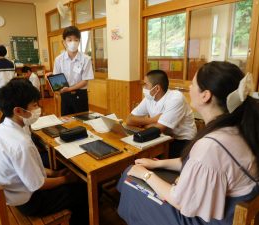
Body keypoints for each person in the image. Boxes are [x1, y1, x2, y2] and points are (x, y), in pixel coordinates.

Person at [117, 61, 259, 225]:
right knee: (137, 172)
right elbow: (198, 162)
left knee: (131, 179)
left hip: (209, 219)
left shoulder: (211, 145)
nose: (189, 88)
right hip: (228, 211)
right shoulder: (238, 128)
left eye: (192, 84)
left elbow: (180, 201)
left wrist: (146, 174)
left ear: (206, 95)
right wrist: (156, 164)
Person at [0, 78, 88, 225]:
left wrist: (55, 174)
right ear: (18, 111)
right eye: (34, 105)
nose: (39, 109)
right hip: (28, 201)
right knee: (84, 191)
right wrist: (65, 179)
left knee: (60, 170)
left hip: (11, 190)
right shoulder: (21, 144)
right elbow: (37, 185)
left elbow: (29, 169)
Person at [127, 70, 197, 158]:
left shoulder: (175, 98)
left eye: (146, 84)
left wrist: (142, 124)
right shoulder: (150, 98)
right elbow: (129, 119)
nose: (143, 87)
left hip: (182, 141)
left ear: (157, 88)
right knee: (135, 153)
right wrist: (152, 120)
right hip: (163, 137)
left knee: (143, 157)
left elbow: (159, 128)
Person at [51, 26, 94, 116]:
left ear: (79, 41)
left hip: (80, 94)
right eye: (69, 40)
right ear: (64, 42)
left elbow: (85, 81)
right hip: (65, 95)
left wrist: (69, 89)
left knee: (83, 120)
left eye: (76, 39)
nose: (73, 42)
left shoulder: (86, 59)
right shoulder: (58, 59)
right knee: (66, 122)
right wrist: (56, 86)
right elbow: (56, 78)